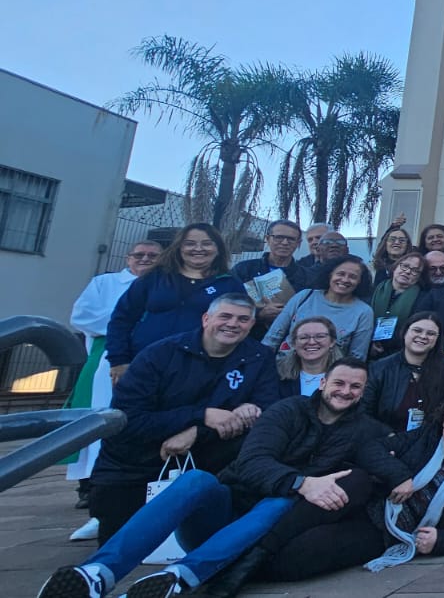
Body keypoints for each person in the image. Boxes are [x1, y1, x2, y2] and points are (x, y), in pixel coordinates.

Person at [39, 358, 406, 598]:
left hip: (269, 526)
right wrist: (302, 482)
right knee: (197, 480)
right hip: (224, 513)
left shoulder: (365, 430)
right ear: (323, 382)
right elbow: (251, 462)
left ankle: (181, 578)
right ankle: (98, 572)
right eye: (340, 383)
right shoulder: (287, 410)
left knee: (281, 501)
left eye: (355, 387)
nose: (346, 392)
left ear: (363, 392)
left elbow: (395, 450)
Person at [87, 295, 283, 544]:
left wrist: (197, 431)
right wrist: (202, 415)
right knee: (126, 543)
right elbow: (128, 420)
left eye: (243, 319)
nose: (233, 324)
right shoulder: (159, 355)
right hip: (139, 463)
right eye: (225, 316)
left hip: (209, 458)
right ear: (206, 319)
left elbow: (266, 410)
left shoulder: (259, 357)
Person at [245, 395, 444, 585]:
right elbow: (369, 449)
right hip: (371, 502)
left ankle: (251, 571)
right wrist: (400, 476)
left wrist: (443, 541)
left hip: (388, 533)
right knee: (354, 480)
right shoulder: (425, 437)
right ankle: (256, 552)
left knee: (309, 550)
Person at [65, 241, 162, 535]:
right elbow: (82, 317)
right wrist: (130, 326)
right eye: (139, 255)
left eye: (152, 256)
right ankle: (94, 487)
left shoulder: (166, 284)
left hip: (155, 358)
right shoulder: (105, 283)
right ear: (128, 258)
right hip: (111, 357)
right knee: (103, 419)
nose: (145, 259)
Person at [106, 223, 246, 382]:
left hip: (198, 371)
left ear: (218, 248)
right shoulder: (155, 277)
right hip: (143, 362)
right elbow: (122, 318)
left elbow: (241, 326)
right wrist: (118, 360)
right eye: (190, 243)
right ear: (179, 248)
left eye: (207, 243)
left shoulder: (229, 284)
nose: (198, 249)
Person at [363, 312, 444, 436]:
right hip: (386, 438)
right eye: (417, 330)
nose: (423, 336)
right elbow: (365, 412)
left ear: (437, 339)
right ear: (405, 333)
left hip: (432, 439)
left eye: (431, 333)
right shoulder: (379, 369)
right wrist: (387, 434)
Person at [264, 255, 376, 359]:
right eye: (340, 274)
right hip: (283, 368)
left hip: (329, 376)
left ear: (360, 281)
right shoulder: (305, 296)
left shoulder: (363, 312)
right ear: (330, 274)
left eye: (353, 277)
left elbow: (357, 356)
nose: (345, 280)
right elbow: (274, 336)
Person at [232, 220, 313, 339]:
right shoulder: (244, 269)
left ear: (298, 243)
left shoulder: (307, 276)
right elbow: (228, 301)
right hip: (246, 336)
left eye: (291, 239)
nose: (285, 243)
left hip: (289, 340)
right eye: (279, 237)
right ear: (267, 238)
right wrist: (259, 314)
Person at [369, 252, 427, 359]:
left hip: (398, 353)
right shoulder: (376, 289)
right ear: (395, 267)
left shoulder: (422, 299)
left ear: (419, 277)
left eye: (415, 271)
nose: (408, 271)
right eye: (405, 266)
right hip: (367, 347)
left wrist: (383, 344)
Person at [277, 317, 344, 398]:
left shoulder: (346, 375)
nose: (311, 342)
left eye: (320, 336)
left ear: (332, 341)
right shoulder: (278, 374)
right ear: (294, 344)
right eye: (304, 337)